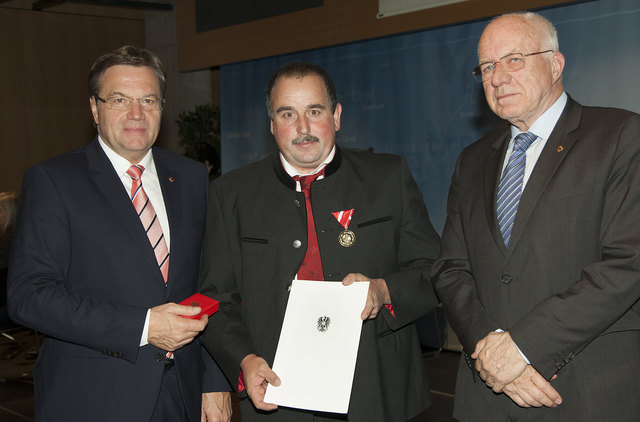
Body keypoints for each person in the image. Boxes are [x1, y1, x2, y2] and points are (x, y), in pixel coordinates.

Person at [198, 62, 441, 421]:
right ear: (271, 125)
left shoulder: (388, 177)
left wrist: (383, 290)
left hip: (377, 394)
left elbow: (435, 269)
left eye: (314, 111)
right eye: (287, 114)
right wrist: (245, 361)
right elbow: (216, 299)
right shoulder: (230, 196)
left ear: (337, 115)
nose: (303, 128)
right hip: (277, 396)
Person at [432, 11, 640, 421]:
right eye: (488, 66)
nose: (497, 77)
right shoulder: (472, 161)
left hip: (585, 393)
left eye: (514, 59)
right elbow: (450, 268)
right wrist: (492, 348)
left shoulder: (620, 136)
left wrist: (523, 346)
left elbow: (628, 261)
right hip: (487, 395)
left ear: (555, 64)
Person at [7, 46, 231, 422]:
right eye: (119, 100)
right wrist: (144, 326)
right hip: (95, 395)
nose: (136, 114)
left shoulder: (191, 177)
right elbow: (29, 297)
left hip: (184, 392)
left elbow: (207, 285)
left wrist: (214, 380)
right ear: (95, 109)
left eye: (148, 99)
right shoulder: (54, 181)